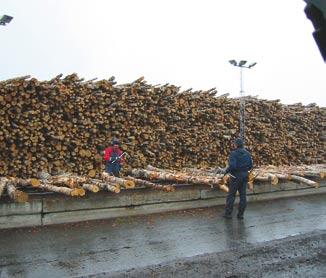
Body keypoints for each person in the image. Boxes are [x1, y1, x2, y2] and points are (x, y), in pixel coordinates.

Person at [222, 137, 253, 220]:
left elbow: (232, 166)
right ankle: (240, 215)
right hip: (245, 175)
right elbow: (250, 166)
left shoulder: (234, 153)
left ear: (236, 145)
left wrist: (225, 171)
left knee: (231, 195)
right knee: (243, 195)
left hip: (235, 176)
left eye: (234, 144)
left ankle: (228, 214)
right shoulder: (247, 153)